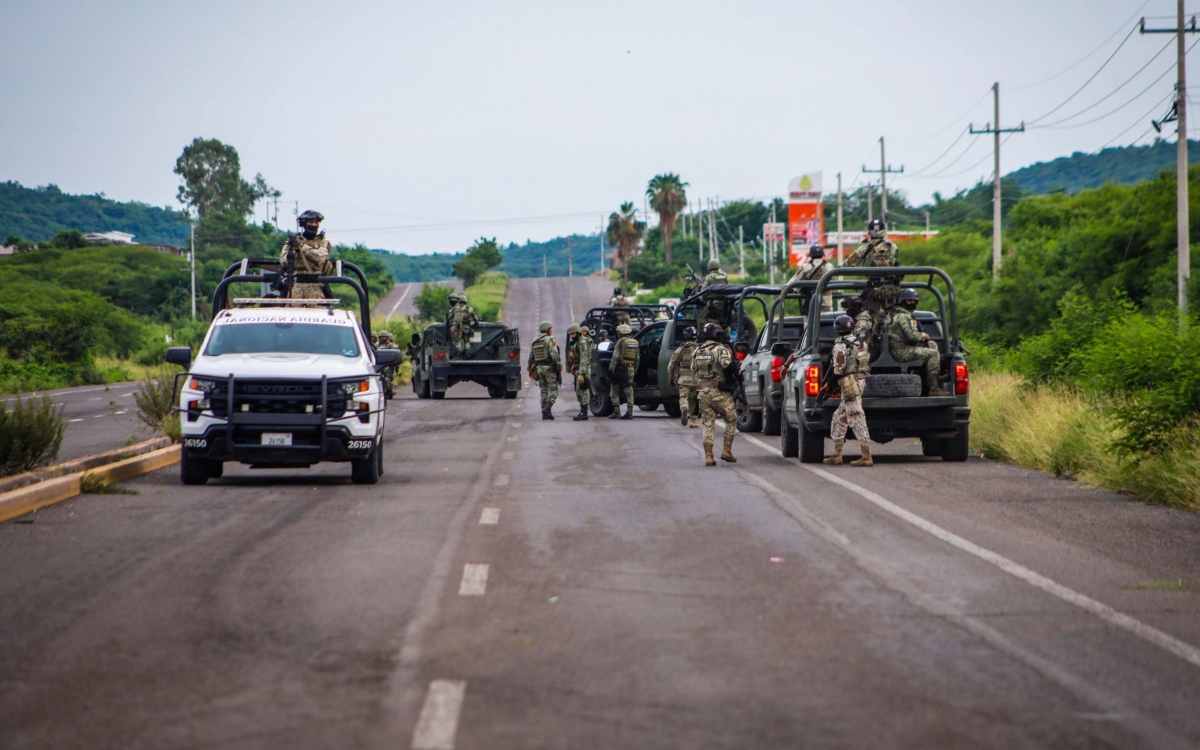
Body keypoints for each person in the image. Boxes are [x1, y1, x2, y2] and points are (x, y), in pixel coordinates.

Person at [824, 314, 874, 467]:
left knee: (855, 416)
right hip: (860, 380)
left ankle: (866, 456)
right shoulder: (860, 342)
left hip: (849, 383)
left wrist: (828, 384)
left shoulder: (840, 345)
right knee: (839, 417)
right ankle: (837, 454)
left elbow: (838, 369)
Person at [691, 322, 738, 466]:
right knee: (731, 419)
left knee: (708, 423)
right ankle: (726, 450)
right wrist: (737, 372)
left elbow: (694, 370)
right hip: (720, 393)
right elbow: (727, 365)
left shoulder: (697, 351)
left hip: (703, 393)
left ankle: (709, 456)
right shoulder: (720, 350)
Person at [886, 289, 949, 397]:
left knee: (932, 345)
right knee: (933, 353)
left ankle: (935, 376)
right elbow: (913, 336)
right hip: (900, 351)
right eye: (910, 301)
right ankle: (934, 388)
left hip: (902, 347)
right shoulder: (903, 316)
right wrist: (924, 335)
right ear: (902, 301)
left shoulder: (895, 314)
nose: (913, 303)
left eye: (914, 301)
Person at [844, 218, 901, 318]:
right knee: (893, 315)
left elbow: (849, 263)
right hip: (890, 287)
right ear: (884, 231)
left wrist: (836, 270)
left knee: (869, 317)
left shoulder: (865, 248)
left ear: (869, 232)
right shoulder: (892, 247)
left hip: (873, 287)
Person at [281, 210, 334, 299]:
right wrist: (292, 253)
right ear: (304, 224)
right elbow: (283, 261)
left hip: (316, 285)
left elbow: (320, 257)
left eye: (316, 222)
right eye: (311, 222)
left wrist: (302, 248)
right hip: (295, 285)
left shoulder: (323, 242)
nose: (314, 225)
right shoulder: (293, 241)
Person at [528, 321, 561, 420]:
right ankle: (547, 408)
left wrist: (530, 367)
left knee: (543, 390)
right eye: (551, 328)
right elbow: (554, 353)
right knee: (553, 390)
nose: (552, 330)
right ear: (547, 330)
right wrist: (559, 364)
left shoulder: (535, 341)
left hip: (539, 369)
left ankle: (545, 413)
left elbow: (531, 357)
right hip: (548, 368)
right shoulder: (549, 340)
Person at [667, 326, 699, 428]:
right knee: (694, 399)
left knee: (683, 397)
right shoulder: (700, 350)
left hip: (684, 379)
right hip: (697, 379)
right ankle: (693, 421)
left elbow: (670, 366)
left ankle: (684, 407)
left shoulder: (680, 350)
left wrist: (672, 377)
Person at [788, 244, 834, 313]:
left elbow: (791, 282)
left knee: (809, 322)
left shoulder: (805, 267)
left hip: (811, 303)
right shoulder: (829, 266)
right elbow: (833, 280)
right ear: (822, 255)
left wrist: (792, 290)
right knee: (828, 322)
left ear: (811, 255)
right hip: (827, 305)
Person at [608, 323, 638, 420]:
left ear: (620, 333)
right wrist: (634, 370)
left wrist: (611, 370)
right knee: (629, 390)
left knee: (614, 390)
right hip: (630, 369)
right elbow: (637, 359)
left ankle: (617, 412)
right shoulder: (635, 342)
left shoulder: (620, 342)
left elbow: (615, 357)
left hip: (620, 369)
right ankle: (629, 413)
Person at [566, 324, 593, 421]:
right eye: (570, 334)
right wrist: (574, 366)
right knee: (579, 392)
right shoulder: (577, 342)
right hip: (579, 369)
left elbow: (584, 358)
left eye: (573, 334)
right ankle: (582, 411)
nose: (571, 336)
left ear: (578, 333)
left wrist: (582, 373)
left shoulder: (582, 342)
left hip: (583, 370)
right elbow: (578, 357)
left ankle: (584, 412)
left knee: (584, 391)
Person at [449, 293, 478, 358]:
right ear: (465, 301)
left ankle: (458, 355)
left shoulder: (457, 308)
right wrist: (477, 322)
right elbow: (475, 318)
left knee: (458, 341)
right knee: (467, 341)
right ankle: (467, 354)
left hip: (459, 327)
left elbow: (455, 318)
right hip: (467, 328)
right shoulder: (469, 309)